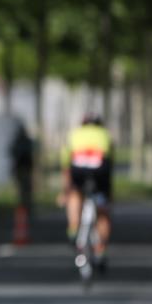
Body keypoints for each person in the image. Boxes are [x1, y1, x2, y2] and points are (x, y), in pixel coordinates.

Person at [59, 113, 113, 271]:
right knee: (103, 212)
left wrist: (66, 191)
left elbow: (66, 166)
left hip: (78, 167)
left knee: (75, 193)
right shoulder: (105, 134)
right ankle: (101, 251)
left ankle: (74, 229)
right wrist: (109, 195)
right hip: (100, 167)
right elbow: (110, 164)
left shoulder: (74, 134)